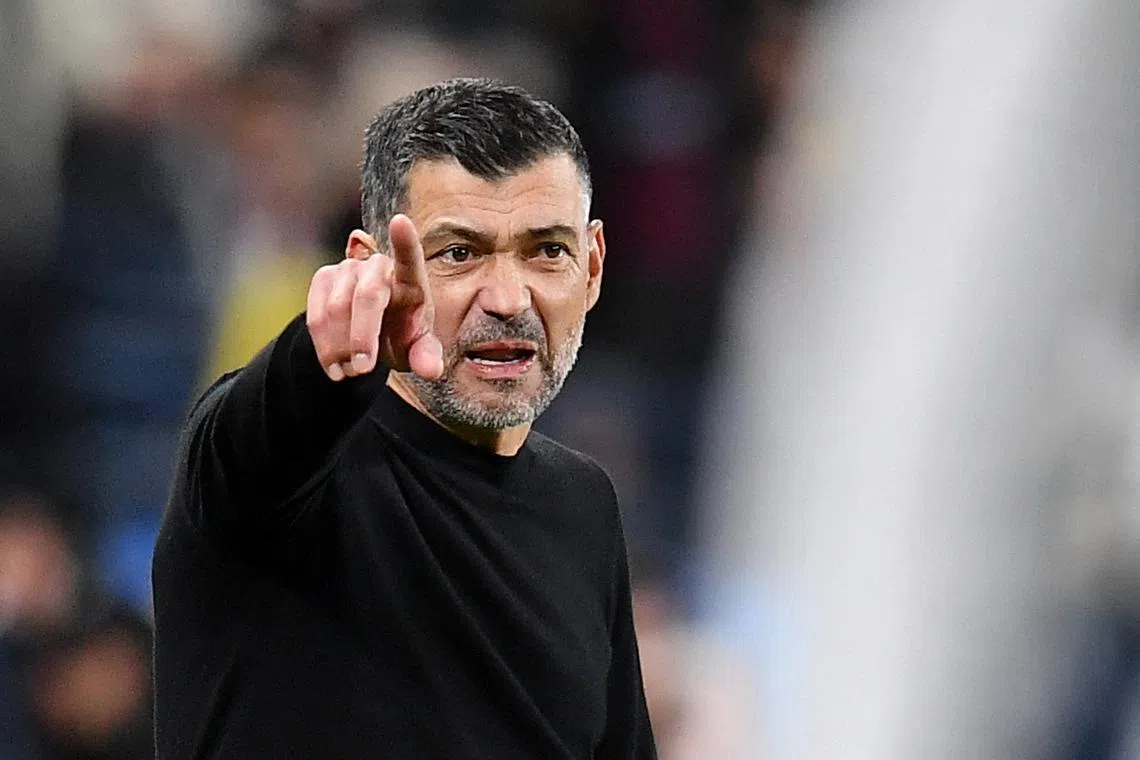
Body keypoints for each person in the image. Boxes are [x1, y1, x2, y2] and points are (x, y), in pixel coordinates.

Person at [151, 77, 657, 759]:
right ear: (370, 268)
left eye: (546, 251)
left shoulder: (584, 506)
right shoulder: (279, 478)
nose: (508, 298)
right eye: (458, 252)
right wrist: (325, 357)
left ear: (592, 268)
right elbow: (256, 433)